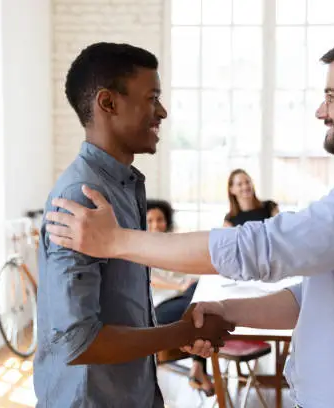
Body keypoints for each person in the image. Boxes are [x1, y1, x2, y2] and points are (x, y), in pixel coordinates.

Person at [44, 35, 334, 408]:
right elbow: (312, 298)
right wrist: (223, 311)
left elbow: (257, 248)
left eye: (331, 96)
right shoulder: (85, 195)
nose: (321, 111)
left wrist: (116, 242)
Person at [33, 42, 234, 408]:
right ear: (108, 103)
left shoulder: (126, 187)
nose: (163, 111)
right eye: (152, 97)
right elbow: (79, 340)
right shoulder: (80, 198)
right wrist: (182, 330)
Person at [146, 199, 213, 396]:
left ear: (166, 221)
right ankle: (199, 369)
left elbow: (187, 271)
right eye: (150, 221)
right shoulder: (139, 249)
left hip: (184, 296)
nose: (156, 225)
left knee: (202, 298)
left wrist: (190, 282)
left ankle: (197, 369)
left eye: (160, 220)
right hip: (160, 306)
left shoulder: (172, 245)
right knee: (199, 308)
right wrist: (180, 285)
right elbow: (150, 281)